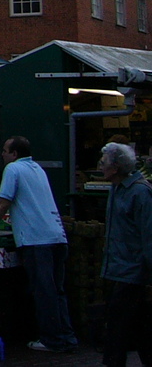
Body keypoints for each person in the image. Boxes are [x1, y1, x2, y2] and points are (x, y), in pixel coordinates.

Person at [0, 136, 76, 352]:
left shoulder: (13, 169)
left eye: (6, 150)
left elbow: (3, 201)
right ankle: (66, 337)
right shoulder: (37, 169)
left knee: (44, 291)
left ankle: (52, 340)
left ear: (14, 154)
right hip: (57, 236)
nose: (2, 154)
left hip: (37, 241)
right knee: (57, 291)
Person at [97, 141, 152, 367]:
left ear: (115, 167)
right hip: (117, 268)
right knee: (138, 325)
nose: (100, 166)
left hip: (131, 270)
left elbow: (148, 235)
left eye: (103, 162)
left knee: (117, 327)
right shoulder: (116, 189)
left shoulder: (140, 193)